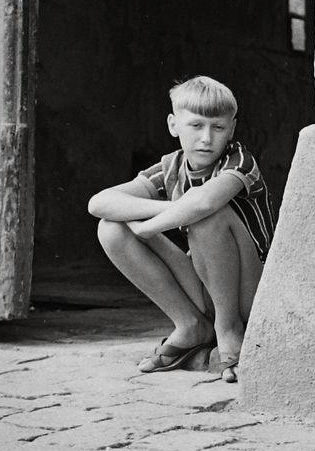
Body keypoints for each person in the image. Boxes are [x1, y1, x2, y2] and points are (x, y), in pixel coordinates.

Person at [88, 76, 272, 382]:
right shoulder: (170, 167)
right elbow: (100, 202)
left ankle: (228, 329)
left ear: (232, 130)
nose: (206, 138)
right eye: (196, 126)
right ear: (174, 125)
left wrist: (148, 230)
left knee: (207, 216)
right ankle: (190, 325)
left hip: (252, 289)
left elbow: (203, 203)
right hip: (208, 283)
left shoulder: (239, 161)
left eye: (218, 127)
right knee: (111, 228)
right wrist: (167, 210)